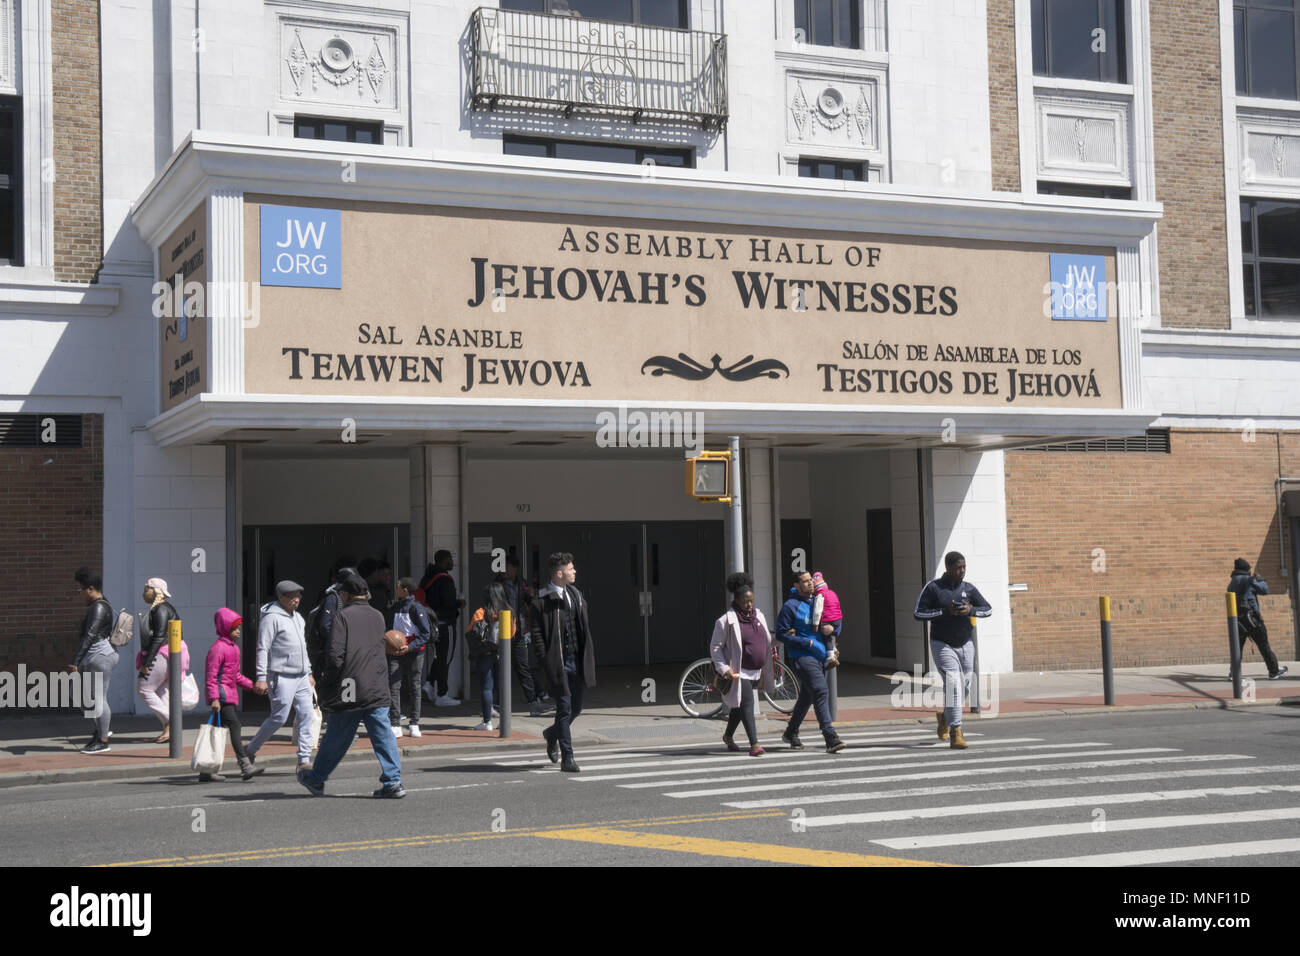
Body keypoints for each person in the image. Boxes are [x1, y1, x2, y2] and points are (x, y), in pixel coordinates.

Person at [299, 571, 405, 798]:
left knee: (338, 735)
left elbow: (335, 655)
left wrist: (327, 680)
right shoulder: (378, 616)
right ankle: (393, 781)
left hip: (350, 684)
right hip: (377, 683)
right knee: (383, 734)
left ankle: (316, 779)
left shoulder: (342, 617)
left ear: (346, 594)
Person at [912, 551, 993, 749]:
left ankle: (945, 717)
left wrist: (970, 610)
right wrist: (944, 611)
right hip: (942, 644)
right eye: (958, 567)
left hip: (966, 643)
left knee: (965, 685)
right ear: (948, 568)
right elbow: (918, 613)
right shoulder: (933, 588)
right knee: (954, 684)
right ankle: (956, 733)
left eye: (964, 567)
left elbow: (988, 609)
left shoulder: (969, 588)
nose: (962, 571)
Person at [533, 552, 597, 773]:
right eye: (571, 569)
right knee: (564, 708)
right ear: (559, 573)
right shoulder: (543, 599)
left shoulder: (575, 594)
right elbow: (537, 633)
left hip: (576, 660)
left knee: (577, 708)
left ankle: (551, 734)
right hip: (558, 662)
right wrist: (545, 659)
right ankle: (567, 758)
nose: (575, 571)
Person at [246, 581, 316, 772]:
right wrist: (261, 676)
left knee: (306, 714)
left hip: (301, 675)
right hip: (281, 675)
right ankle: (250, 749)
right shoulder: (271, 618)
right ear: (281, 598)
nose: (297, 599)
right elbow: (262, 648)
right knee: (279, 717)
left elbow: (303, 647)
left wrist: (309, 671)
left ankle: (303, 760)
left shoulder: (299, 618)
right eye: (293, 596)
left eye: (299, 595)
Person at [776, 571, 845, 753]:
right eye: (805, 582)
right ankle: (830, 736)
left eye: (810, 581)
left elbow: (836, 617)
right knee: (821, 690)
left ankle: (791, 732)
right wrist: (807, 642)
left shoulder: (819, 600)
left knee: (807, 696)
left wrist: (834, 629)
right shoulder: (790, 606)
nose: (810, 584)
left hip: (821, 656)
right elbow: (781, 633)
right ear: (797, 585)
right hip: (802, 656)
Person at [709, 572, 774, 756]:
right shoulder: (725, 621)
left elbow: (766, 639)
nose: (750, 604)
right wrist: (724, 668)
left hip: (756, 671)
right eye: (745, 601)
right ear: (737, 600)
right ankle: (754, 744)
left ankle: (728, 737)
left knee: (738, 706)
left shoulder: (759, 616)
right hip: (739, 671)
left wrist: (784, 638)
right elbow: (715, 647)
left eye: (751, 600)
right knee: (747, 703)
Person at [203, 608, 266, 781]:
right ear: (224, 628)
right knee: (235, 726)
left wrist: (251, 686)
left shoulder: (234, 649)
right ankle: (245, 765)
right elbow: (211, 676)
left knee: (217, 732)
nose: (238, 632)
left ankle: (206, 771)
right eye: (234, 629)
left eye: (238, 628)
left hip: (228, 694)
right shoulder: (218, 649)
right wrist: (214, 698)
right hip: (222, 697)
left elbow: (236, 675)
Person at [69, 567, 117, 754]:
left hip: (100, 656)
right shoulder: (99, 605)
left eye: (80, 589)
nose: (79, 594)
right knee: (76, 693)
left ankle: (103, 739)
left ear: (90, 588)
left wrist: (75, 661)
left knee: (98, 698)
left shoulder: (99, 607)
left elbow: (89, 635)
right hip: (94, 656)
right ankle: (100, 730)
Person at [501, 556, 551, 717]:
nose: (505, 570)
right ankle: (494, 704)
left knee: (522, 666)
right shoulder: (499, 583)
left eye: (508, 567)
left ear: (515, 568)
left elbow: (530, 601)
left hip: (518, 629)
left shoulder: (521, 583)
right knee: (501, 667)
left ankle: (534, 702)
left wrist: (531, 594)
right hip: (502, 630)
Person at [136, 577, 180, 744]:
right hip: (171, 654)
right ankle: (168, 730)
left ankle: (173, 722)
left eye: (146, 589)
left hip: (163, 654)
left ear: (155, 591)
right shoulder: (164, 608)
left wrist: (146, 663)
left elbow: (159, 637)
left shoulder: (160, 609)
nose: (143, 593)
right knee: (161, 692)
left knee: (143, 689)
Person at [1229, 557, 1288, 680]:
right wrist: (1260, 579)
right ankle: (1273, 671)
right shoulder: (1250, 580)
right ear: (1246, 569)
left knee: (1237, 648)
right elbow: (1265, 590)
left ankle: (1233, 674)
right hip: (1253, 620)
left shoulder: (1232, 583)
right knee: (1263, 645)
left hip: (1238, 621)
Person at [387, 577, 432, 736]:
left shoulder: (416, 608)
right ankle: (395, 724)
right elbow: (389, 629)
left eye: (398, 586)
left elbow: (426, 634)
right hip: (395, 652)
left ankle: (414, 723)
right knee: (394, 685)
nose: (396, 588)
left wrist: (410, 647)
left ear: (405, 590)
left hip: (414, 653)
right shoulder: (394, 607)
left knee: (414, 686)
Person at [422, 550, 465, 707]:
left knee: (439, 656)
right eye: (450, 559)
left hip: (432, 624)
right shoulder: (445, 579)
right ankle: (442, 694)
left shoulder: (428, 577)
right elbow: (448, 602)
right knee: (445, 658)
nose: (452, 562)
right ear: (444, 561)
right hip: (446, 623)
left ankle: (429, 683)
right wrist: (460, 603)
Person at [467, 580, 509, 732]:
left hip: (485, 653)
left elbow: (471, 631)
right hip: (503, 654)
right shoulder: (509, 611)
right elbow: (513, 633)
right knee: (503, 688)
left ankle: (487, 722)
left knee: (487, 687)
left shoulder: (481, 612)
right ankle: (505, 722)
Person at [810, 571, 844, 670]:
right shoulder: (832, 592)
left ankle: (830, 656)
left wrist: (815, 624)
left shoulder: (820, 596)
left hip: (829, 620)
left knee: (826, 636)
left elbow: (817, 611)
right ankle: (833, 648)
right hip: (838, 619)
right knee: (831, 634)